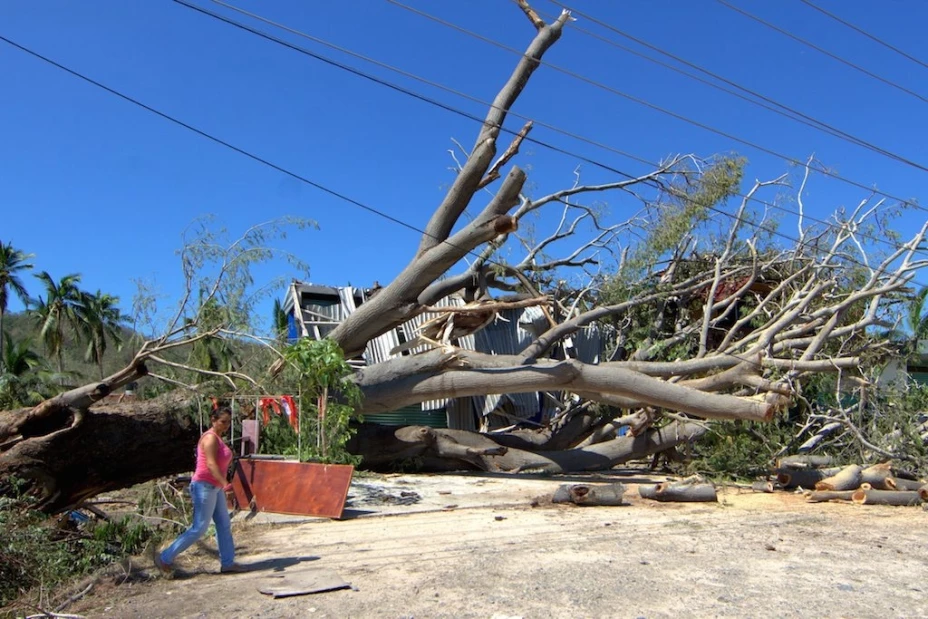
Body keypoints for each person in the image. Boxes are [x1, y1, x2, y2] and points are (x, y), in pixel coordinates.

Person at [154, 407, 246, 575]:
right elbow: (211, 465)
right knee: (199, 527)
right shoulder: (210, 438)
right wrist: (226, 485)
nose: (225, 426)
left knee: (224, 524)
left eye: (228, 422)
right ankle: (165, 558)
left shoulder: (218, 438)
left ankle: (228, 563)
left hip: (215, 486)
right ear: (213, 420)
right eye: (222, 422)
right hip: (205, 485)